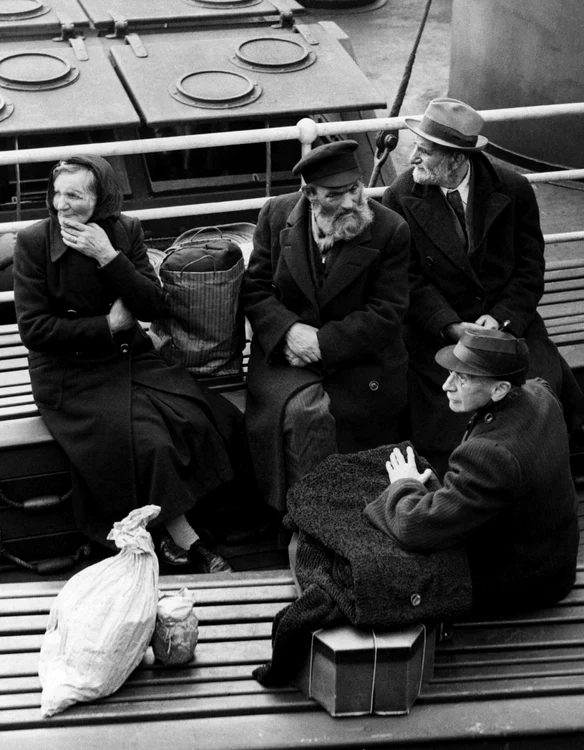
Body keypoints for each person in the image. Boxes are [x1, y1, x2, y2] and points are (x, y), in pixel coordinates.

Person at [13, 154, 235, 573]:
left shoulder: (123, 230)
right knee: (147, 439)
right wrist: (107, 324)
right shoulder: (33, 242)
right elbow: (34, 329)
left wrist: (107, 256)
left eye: (74, 196)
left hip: (127, 357)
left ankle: (179, 526)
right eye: (57, 194)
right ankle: (185, 538)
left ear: (101, 199)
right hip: (68, 372)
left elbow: (152, 304)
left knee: (201, 415)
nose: (61, 205)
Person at [382, 97, 584, 477]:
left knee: (539, 391)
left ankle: (534, 475)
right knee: (443, 413)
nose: (412, 159)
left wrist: (502, 320)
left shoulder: (512, 188)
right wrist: (452, 326)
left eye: (424, 152)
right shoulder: (401, 196)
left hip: (508, 324)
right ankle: (464, 481)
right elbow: (407, 279)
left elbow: (529, 268)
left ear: (457, 159)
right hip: (439, 331)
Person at [241, 140, 410, 511]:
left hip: (358, 356)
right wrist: (287, 331)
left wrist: (322, 343)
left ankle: (337, 514)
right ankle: (306, 514)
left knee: (332, 414)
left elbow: (387, 312)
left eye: (355, 189)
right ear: (310, 195)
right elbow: (254, 288)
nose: (351, 202)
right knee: (302, 411)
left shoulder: (390, 229)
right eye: (336, 195)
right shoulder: (275, 215)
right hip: (284, 353)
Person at [364, 328, 580, 614]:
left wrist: (404, 483)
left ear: (499, 389)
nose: (446, 386)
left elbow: (413, 527)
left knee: (372, 556)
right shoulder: (540, 392)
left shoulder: (490, 455)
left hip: (521, 586)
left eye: (462, 378)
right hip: (553, 562)